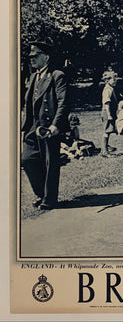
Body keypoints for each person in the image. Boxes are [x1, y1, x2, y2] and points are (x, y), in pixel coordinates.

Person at [21, 39, 69, 210]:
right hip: (32, 126)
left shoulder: (57, 75)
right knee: (27, 159)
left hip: (48, 127)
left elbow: (63, 102)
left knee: (50, 163)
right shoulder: (33, 76)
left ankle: (49, 199)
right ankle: (41, 193)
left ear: (46, 57)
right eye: (30, 56)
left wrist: (56, 125)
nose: (31, 58)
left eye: (35, 55)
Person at [101, 69, 119, 157]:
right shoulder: (107, 90)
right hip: (107, 112)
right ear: (107, 80)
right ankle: (104, 151)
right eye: (113, 79)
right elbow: (107, 103)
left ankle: (105, 147)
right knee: (107, 131)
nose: (115, 81)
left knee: (109, 130)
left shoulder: (111, 88)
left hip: (111, 112)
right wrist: (109, 115)